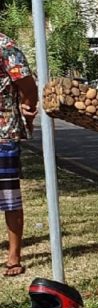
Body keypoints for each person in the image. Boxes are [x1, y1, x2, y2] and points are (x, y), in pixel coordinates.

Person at [0, 32, 37, 277]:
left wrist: (28, 108)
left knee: (9, 195)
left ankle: (14, 256)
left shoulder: (5, 46)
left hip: (3, 133)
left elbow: (27, 84)